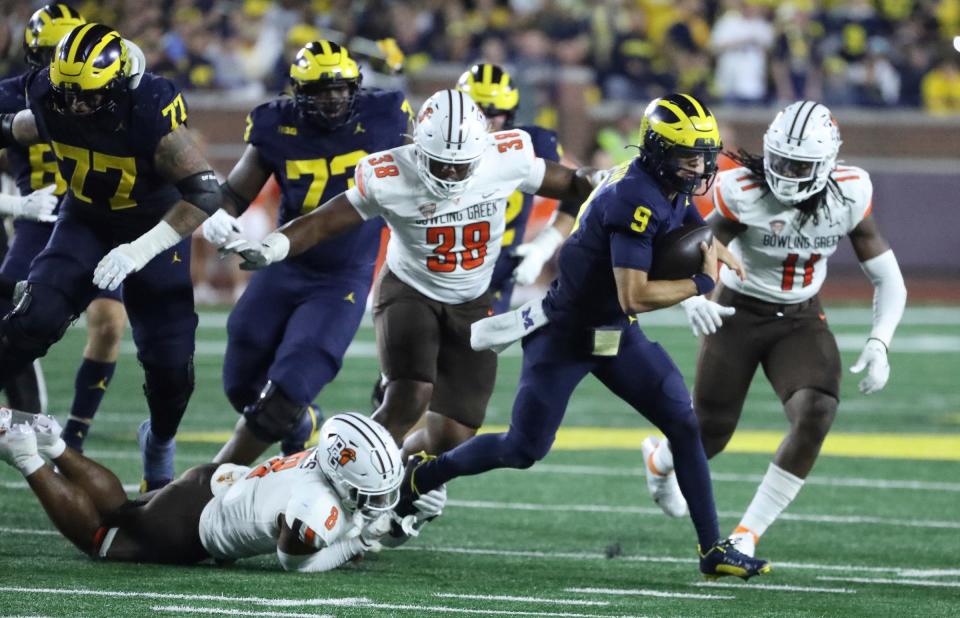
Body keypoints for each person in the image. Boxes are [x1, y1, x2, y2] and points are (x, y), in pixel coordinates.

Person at [391, 93, 772, 580]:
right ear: (658, 151)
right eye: (689, 156)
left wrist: (714, 247)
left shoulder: (663, 183)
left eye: (704, 153)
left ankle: (711, 549)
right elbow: (633, 294)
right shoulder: (634, 198)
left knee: (683, 422)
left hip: (615, 333)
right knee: (522, 449)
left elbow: (690, 229)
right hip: (566, 336)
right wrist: (700, 285)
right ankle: (424, 474)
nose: (699, 166)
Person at [224, 89, 597, 459]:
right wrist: (275, 245)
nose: (450, 172)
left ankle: (398, 473)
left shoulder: (505, 158)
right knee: (409, 396)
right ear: (418, 148)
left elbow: (575, 184)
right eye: (440, 163)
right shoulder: (391, 173)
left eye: (460, 164)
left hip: (472, 296)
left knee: (455, 433)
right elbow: (325, 220)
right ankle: (341, 476)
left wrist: (604, 183)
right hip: (410, 288)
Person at [641, 100, 907, 557]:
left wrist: (880, 342)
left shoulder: (849, 193)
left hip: (800, 317)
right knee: (713, 432)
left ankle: (745, 536)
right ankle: (660, 460)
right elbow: (694, 250)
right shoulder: (741, 190)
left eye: (799, 165)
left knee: (817, 412)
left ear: (826, 163)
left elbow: (887, 276)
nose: (784, 173)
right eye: (779, 159)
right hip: (737, 312)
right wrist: (693, 301)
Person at [0, 23, 222, 490]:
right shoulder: (51, 95)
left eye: (88, 96)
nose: (76, 105)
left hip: (152, 231)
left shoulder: (148, 108)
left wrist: (140, 250)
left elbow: (204, 191)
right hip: (85, 221)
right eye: (68, 93)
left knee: (170, 370)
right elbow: (23, 127)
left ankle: (159, 442)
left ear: (118, 85)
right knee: (30, 320)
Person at [201, 40, 414, 466]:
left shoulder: (385, 115)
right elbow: (236, 193)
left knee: (293, 381)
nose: (333, 97)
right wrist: (217, 217)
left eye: (341, 87)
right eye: (320, 89)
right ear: (297, 91)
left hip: (342, 274)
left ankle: (216, 482)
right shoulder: (276, 125)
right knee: (241, 380)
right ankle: (300, 426)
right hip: (282, 263)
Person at [0, 408, 445, 570]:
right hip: (196, 523)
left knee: (124, 510)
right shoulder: (316, 504)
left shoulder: (326, 462)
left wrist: (392, 522)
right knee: (101, 537)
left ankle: (54, 442)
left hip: (213, 482)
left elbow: (361, 510)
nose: (379, 499)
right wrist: (360, 540)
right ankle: (27, 455)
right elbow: (296, 564)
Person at [0, 4, 128, 450]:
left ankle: (74, 431)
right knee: (10, 298)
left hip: (96, 213)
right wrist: (15, 203)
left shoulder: (109, 95)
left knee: (111, 321)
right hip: (38, 214)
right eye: (53, 51)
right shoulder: (13, 95)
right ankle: (26, 415)